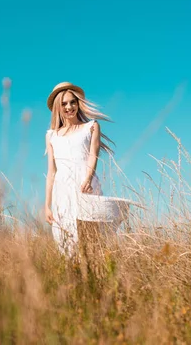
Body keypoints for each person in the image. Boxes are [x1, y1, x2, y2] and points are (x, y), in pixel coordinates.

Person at [44, 82, 115, 257]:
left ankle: (95, 276)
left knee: (91, 236)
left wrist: (88, 178)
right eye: (64, 104)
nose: (69, 107)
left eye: (72, 102)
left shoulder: (90, 127)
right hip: (62, 190)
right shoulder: (51, 135)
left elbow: (93, 155)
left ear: (78, 103)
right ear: (57, 108)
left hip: (85, 186)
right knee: (66, 239)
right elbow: (51, 172)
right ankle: (74, 277)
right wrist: (47, 205)